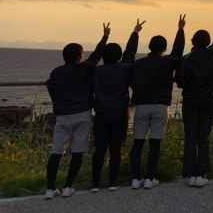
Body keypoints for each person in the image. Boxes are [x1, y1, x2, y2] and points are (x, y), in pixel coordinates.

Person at [45, 23, 110, 200]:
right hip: (82, 114)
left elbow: (50, 87)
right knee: (78, 151)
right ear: (79, 56)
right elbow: (96, 56)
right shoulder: (85, 69)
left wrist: (59, 104)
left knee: (56, 151)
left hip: (63, 116)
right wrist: (105, 37)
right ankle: (67, 187)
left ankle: (50, 188)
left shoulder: (56, 73)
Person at [129, 14, 185, 190]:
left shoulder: (138, 64)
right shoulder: (168, 63)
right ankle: (149, 178)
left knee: (137, 143)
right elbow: (178, 51)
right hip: (161, 106)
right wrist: (181, 29)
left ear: (150, 47)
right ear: (164, 48)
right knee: (155, 143)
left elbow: (129, 55)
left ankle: (135, 178)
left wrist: (135, 33)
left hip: (142, 105)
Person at [91, 19, 144, 192]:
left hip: (101, 113)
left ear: (104, 56)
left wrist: (105, 37)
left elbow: (94, 57)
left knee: (99, 149)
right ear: (119, 56)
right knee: (115, 149)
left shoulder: (96, 71)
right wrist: (135, 32)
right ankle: (112, 182)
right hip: (120, 113)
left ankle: (95, 183)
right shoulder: (125, 69)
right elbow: (130, 52)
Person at [178, 18, 213, 188]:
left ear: (192, 41)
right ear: (207, 42)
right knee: (203, 137)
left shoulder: (185, 58)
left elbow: (179, 81)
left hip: (190, 101)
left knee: (190, 136)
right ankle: (201, 173)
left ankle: (189, 172)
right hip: (208, 101)